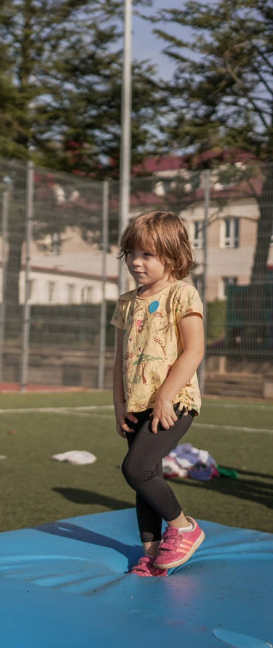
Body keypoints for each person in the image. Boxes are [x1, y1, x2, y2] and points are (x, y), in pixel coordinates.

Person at [112, 210, 206, 577]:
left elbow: (193, 350)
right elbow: (118, 359)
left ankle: (184, 527)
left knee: (135, 468)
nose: (136, 261)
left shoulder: (182, 294)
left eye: (147, 254)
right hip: (136, 404)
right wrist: (118, 405)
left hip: (174, 403)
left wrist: (166, 396)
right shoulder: (125, 302)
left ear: (172, 255)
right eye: (131, 253)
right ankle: (151, 556)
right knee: (145, 476)